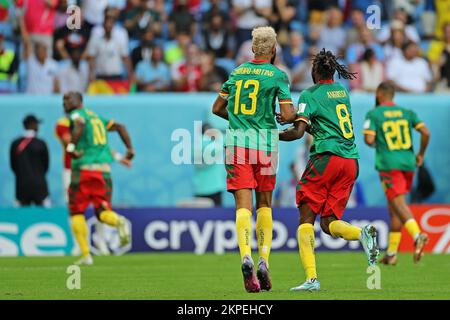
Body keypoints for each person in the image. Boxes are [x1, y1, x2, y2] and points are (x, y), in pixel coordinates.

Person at [278, 49, 379, 292]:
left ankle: (311, 279)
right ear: (333, 71)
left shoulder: (308, 94)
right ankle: (361, 234)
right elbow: (325, 127)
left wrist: (273, 136)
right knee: (329, 222)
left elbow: (299, 133)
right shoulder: (341, 92)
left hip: (327, 159)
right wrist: (299, 122)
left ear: (314, 71)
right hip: (349, 162)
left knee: (306, 218)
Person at [212, 26, 296, 293]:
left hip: (237, 144)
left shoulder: (236, 73)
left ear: (252, 49)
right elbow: (287, 113)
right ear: (273, 51)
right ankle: (263, 260)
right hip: (266, 146)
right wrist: (290, 117)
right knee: (265, 204)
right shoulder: (278, 76)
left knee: (242, 206)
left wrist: (239, 120)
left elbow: (217, 108)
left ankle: (245, 255)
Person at [63, 91, 134, 265]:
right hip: (103, 172)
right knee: (102, 211)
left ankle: (86, 254)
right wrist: (129, 150)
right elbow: (121, 127)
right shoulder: (98, 119)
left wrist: (71, 147)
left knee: (76, 211)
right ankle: (119, 221)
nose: (64, 102)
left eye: (67, 99)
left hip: (84, 170)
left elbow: (78, 124)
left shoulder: (77, 115)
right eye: (63, 99)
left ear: (78, 101)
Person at [363, 81, 430, 265]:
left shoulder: (374, 114)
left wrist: (377, 142)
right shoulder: (407, 113)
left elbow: (369, 139)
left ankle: (418, 235)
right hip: (408, 163)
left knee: (398, 204)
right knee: (394, 208)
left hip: (389, 164)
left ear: (378, 94)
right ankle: (392, 254)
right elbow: (425, 132)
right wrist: (420, 155)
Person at [10, 114, 50, 207]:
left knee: (20, 218)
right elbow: (46, 165)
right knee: (44, 217)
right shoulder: (41, 143)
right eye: (37, 124)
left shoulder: (15, 144)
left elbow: (13, 165)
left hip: (21, 187)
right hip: (40, 188)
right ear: (33, 125)